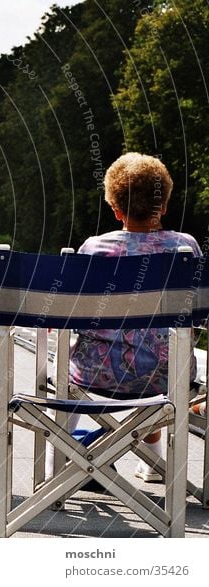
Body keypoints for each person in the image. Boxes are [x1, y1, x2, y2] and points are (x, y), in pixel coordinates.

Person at [67, 152, 201, 482]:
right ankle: (155, 465)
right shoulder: (185, 248)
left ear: (115, 209)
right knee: (155, 351)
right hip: (167, 375)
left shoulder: (94, 249)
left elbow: (71, 316)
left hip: (96, 375)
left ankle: (67, 460)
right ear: (164, 205)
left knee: (71, 366)